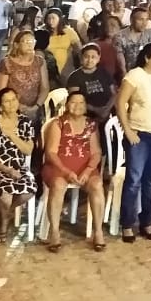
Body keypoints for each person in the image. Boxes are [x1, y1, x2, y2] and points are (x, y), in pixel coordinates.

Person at [115, 42, 151, 242]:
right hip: (139, 134)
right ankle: (127, 224)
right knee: (134, 180)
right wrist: (128, 131)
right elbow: (120, 103)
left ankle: (146, 222)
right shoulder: (135, 76)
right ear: (147, 57)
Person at [40, 91, 105, 252]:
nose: (78, 106)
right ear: (67, 105)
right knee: (59, 185)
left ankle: (98, 232)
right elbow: (51, 153)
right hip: (59, 167)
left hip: (84, 168)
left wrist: (89, 171)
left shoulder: (91, 124)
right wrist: (67, 172)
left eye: (81, 103)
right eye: (73, 102)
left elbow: (96, 152)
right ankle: (54, 232)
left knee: (97, 184)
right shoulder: (58, 123)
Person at [0, 86, 36, 241]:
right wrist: (7, 169)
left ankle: (0, 217)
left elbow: (28, 150)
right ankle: (3, 226)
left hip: (19, 169)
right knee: (5, 196)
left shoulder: (25, 123)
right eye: (7, 101)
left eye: (14, 100)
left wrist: (12, 135)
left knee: (28, 192)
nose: (11, 104)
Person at [0, 30, 49, 121]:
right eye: (26, 42)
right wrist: (20, 107)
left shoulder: (40, 61)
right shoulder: (7, 63)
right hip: (10, 109)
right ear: (16, 45)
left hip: (34, 109)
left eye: (32, 42)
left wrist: (35, 107)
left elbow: (45, 87)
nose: (30, 45)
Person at [64, 43, 116, 123]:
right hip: (85, 116)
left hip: (107, 113)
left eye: (93, 57)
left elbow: (114, 94)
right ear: (81, 58)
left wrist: (106, 110)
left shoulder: (104, 72)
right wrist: (97, 110)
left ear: (98, 58)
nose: (90, 60)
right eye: (86, 57)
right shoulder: (75, 77)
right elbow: (74, 100)